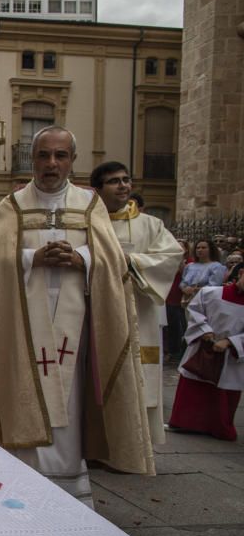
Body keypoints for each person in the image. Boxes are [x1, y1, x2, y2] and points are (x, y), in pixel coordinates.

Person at [0, 126, 154, 507]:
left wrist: (83, 258)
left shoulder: (90, 205)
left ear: (72, 161)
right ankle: (23, 476)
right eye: (44, 155)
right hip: (23, 318)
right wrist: (32, 258)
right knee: (24, 388)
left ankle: (69, 483)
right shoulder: (12, 205)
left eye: (60, 156)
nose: (51, 163)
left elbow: (113, 261)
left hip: (75, 318)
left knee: (71, 393)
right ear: (33, 159)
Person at [92, 161, 181, 442]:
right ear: (98, 188)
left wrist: (132, 261)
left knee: (138, 373)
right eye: (114, 181)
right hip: (98, 309)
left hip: (140, 312)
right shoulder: (89, 222)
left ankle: (135, 441)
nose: (123, 186)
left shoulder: (150, 224)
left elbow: (171, 256)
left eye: (126, 180)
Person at [167, 267, 244, 441]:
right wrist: (205, 330)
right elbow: (194, 311)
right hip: (204, 345)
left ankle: (217, 427)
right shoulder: (211, 293)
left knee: (224, 392)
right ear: (241, 274)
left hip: (230, 353)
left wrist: (230, 342)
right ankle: (185, 422)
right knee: (195, 383)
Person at [164, 239, 192, 362]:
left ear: (186, 249)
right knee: (172, 326)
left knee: (184, 325)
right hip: (170, 295)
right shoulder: (168, 259)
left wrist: (181, 265)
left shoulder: (190, 262)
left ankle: (183, 352)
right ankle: (172, 350)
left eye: (180, 247)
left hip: (182, 297)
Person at [180, 239, 226, 305]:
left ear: (210, 250)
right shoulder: (190, 266)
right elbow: (183, 281)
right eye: (197, 248)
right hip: (189, 301)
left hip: (206, 302)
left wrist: (194, 289)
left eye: (203, 248)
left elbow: (214, 286)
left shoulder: (216, 266)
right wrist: (184, 288)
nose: (200, 250)